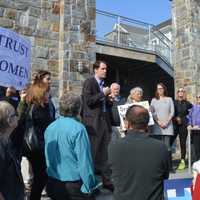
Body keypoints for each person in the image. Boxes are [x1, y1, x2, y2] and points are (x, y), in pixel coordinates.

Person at [45, 92, 100, 200]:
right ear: (78, 108)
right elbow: (84, 161)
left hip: (53, 181)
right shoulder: (78, 129)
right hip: (73, 185)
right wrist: (89, 185)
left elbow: (48, 156)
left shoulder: (50, 127)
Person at [108, 105, 169, 200]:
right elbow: (165, 175)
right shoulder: (161, 147)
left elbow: (111, 173)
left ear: (127, 123)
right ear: (147, 124)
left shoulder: (114, 146)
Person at [81, 60, 113, 191]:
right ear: (95, 69)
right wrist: (103, 94)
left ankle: (107, 181)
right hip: (93, 124)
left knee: (105, 154)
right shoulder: (89, 82)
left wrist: (109, 100)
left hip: (104, 122)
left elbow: (101, 104)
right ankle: (90, 183)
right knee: (92, 154)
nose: (105, 71)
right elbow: (88, 101)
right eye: (103, 69)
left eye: (106, 69)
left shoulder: (103, 84)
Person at [23, 83, 55, 200]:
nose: (48, 94)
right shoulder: (34, 107)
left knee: (42, 178)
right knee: (40, 178)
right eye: (46, 92)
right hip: (36, 148)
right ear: (40, 94)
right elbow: (32, 128)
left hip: (44, 145)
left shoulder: (47, 106)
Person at [0, 92, 27, 200]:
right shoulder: (1, 145)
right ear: (9, 121)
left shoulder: (6, 140)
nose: (17, 116)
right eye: (15, 114)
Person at [150, 83, 174, 171]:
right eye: (158, 89)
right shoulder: (153, 100)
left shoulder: (169, 99)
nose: (160, 90)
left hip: (168, 126)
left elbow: (172, 112)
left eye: (161, 88)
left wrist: (167, 122)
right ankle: (159, 167)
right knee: (158, 147)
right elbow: (152, 113)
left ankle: (169, 167)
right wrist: (159, 122)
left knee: (167, 147)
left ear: (164, 89)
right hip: (157, 127)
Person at [172, 87, 192, 170]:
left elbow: (192, 113)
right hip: (174, 125)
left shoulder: (188, 103)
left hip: (183, 125)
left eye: (182, 91)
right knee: (169, 142)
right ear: (177, 93)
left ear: (184, 93)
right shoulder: (173, 102)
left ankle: (182, 161)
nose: (180, 92)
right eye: (179, 91)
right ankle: (167, 162)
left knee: (182, 143)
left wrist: (190, 123)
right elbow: (170, 112)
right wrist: (175, 118)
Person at [187, 94, 200, 162]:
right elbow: (189, 117)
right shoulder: (193, 108)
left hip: (198, 128)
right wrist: (189, 124)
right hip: (195, 131)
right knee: (197, 148)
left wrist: (199, 125)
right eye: (197, 97)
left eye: (199, 97)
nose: (198, 98)